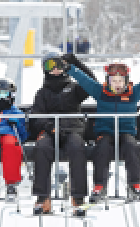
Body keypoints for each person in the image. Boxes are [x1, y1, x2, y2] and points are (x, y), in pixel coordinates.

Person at [62, 53, 140, 201]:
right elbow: (84, 80)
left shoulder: (133, 93)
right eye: (114, 81)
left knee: (133, 147)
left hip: (126, 132)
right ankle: (100, 187)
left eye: (120, 81)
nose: (117, 84)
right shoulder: (100, 92)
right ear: (108, 81)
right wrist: (70, 69)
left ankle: (135, 185)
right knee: (102, 149)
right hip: (105, 132)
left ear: (126, 81)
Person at [29, 55, 95, 216]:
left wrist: (76, 64)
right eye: (50, 66)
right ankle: (42, 197)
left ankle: (78, 198)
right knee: (42, 147)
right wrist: (49, 127)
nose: (55, 69)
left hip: (72, 129)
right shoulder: (42, 94)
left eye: (58, 65)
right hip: (51, 131)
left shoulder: (74, 89)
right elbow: (36, 117)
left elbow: (92, 84)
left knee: (77, 148)